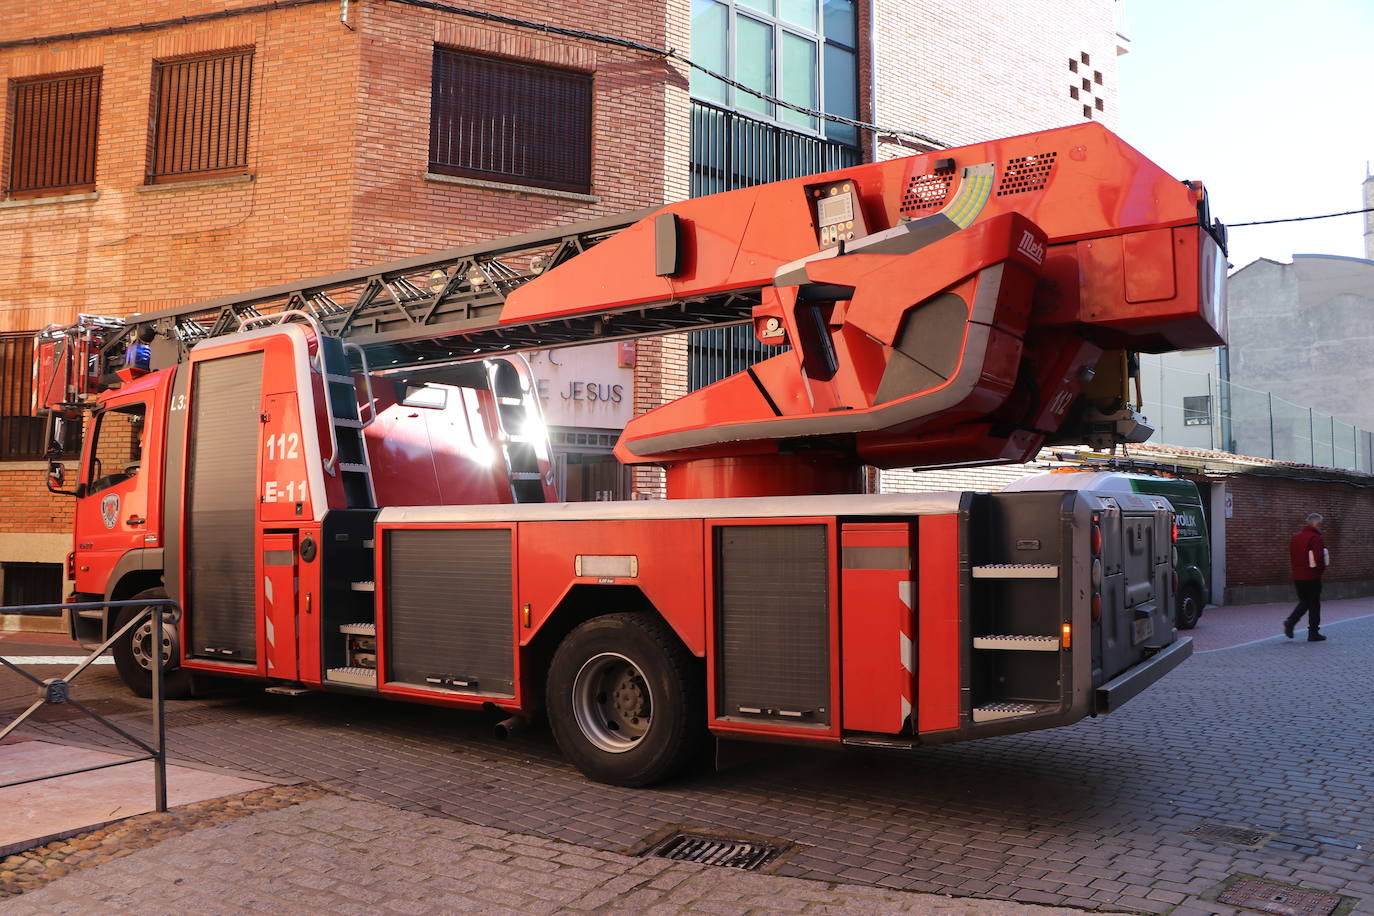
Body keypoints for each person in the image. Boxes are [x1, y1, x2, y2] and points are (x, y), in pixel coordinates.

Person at [1285, 512, 1329, 642]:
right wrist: (1320, 571)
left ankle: (1290, 622)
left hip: (1298, 576)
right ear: (1317, 524)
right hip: (1312, 576)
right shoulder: (1316, 538)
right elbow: (1319, 558)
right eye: (1321, 524)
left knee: (1305, 602)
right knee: (1314, 605)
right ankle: (1313, 633)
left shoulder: (1295, 537)